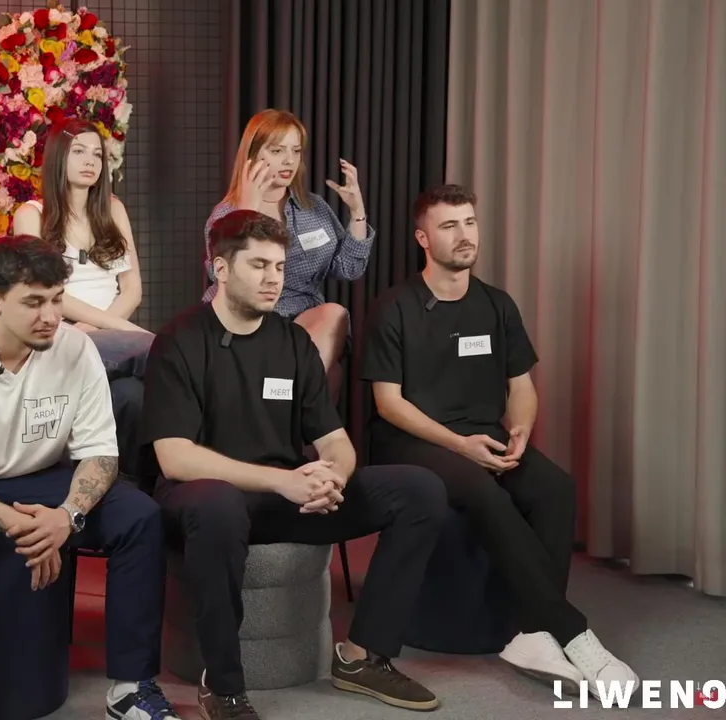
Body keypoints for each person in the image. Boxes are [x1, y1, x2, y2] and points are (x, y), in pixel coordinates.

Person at [145, 210, 448, 718]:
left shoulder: (292, 342)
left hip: (284, 499)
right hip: (203, 498)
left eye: (280, 267)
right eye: (259, 265)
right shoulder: (180, 341)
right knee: (218, 504)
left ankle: (363, 656)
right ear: (221, 269)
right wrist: (283, 481)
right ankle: (223, 686)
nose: (274, 279)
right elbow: (174, 458)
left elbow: (334, 440)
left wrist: (333, 476)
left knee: (419, 490)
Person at [360, 183, 639, 693]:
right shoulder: (394, 306)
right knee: (480, 489)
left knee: (555, 488)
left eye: (469, 222)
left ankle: (533, 632)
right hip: (409, 441)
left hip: (485, 437)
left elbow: (521, 386)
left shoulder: (496, 305)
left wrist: (521, 429)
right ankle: (571, 633)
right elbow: (388, 403)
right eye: (449, 225)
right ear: (423, 238)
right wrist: (458, 444)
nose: (464, 234)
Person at [0, 235, 179, 720]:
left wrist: (66, 517)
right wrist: (23, 526)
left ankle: (130, 688)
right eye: (33, 302)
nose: (49, 316)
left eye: (56, 300)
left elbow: (100, 456)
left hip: (44, 476)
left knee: (140, 517)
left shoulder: (76, 349)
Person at [11, 117, 152, 475]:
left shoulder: (113, 209)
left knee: (131, 397)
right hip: (60, 334)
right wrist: (113, 329)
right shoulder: (31, 215)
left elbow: (132, 288)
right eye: (79, 152)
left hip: (111, 339)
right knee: (159, 352)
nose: (90, 161)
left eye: (97, 155)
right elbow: (43, 290)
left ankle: (129, 489)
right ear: (59, 157)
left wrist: (105, 329)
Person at [202, 109, 372, 376]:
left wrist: (357, 212)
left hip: (305, 320)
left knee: (334, 314)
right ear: (253, 155)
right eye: (277, 151)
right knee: (329, 379)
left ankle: (290, 390)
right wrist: (247, 213)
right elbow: (225, 278)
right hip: (247, 317)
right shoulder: (226, 213)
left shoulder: (313, 207)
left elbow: (349, 269)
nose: (289, 161)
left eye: (296, 151)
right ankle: (294, 392)